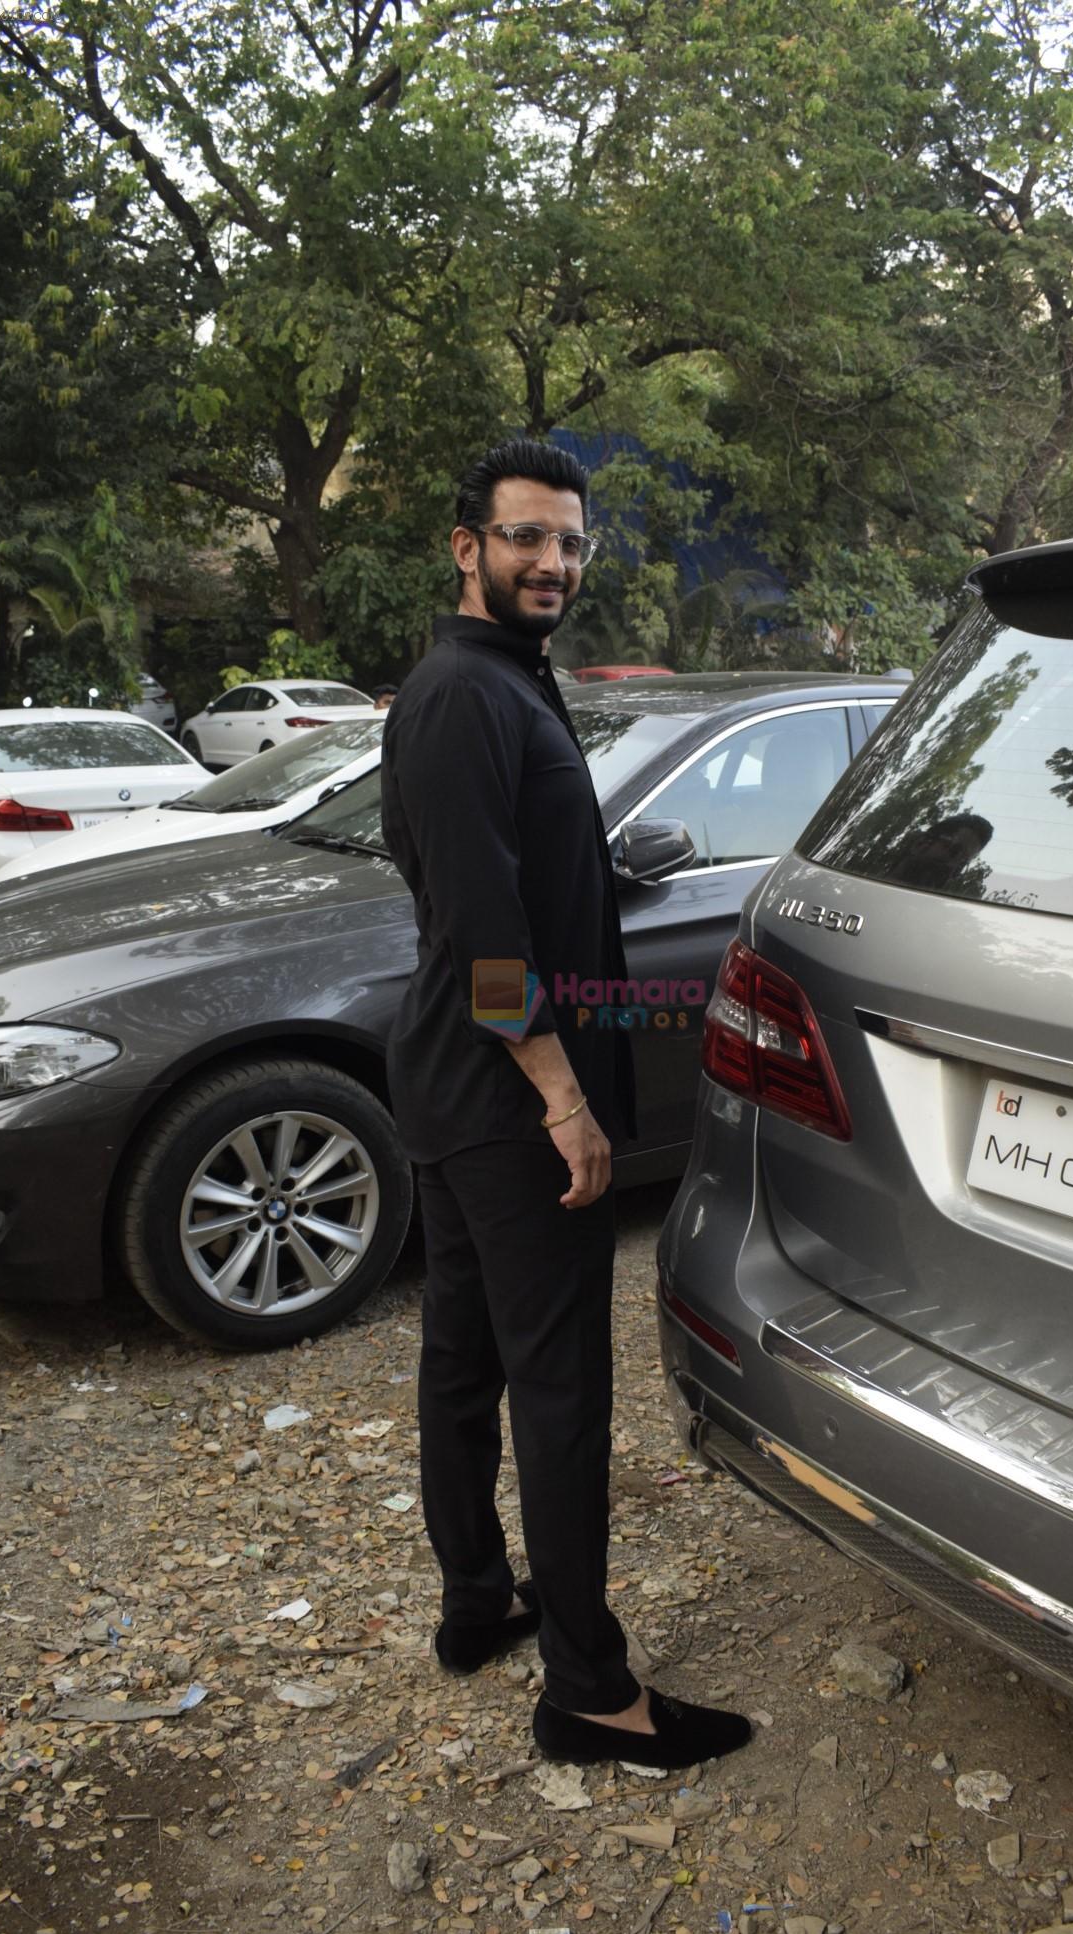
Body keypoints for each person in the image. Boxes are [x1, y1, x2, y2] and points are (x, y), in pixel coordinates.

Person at [380, 438, 751, 1770]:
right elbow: (484, 934)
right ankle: (590, 1692)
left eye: (570, 542)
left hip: (456, 1083)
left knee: (464, 1363)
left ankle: (479, 1604)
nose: (553, 563)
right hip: (499, 1096)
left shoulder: (496, 684)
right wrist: (561, 1097)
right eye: (527, 537)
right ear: (466, 546)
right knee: (555, 1390)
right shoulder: (464, 699)